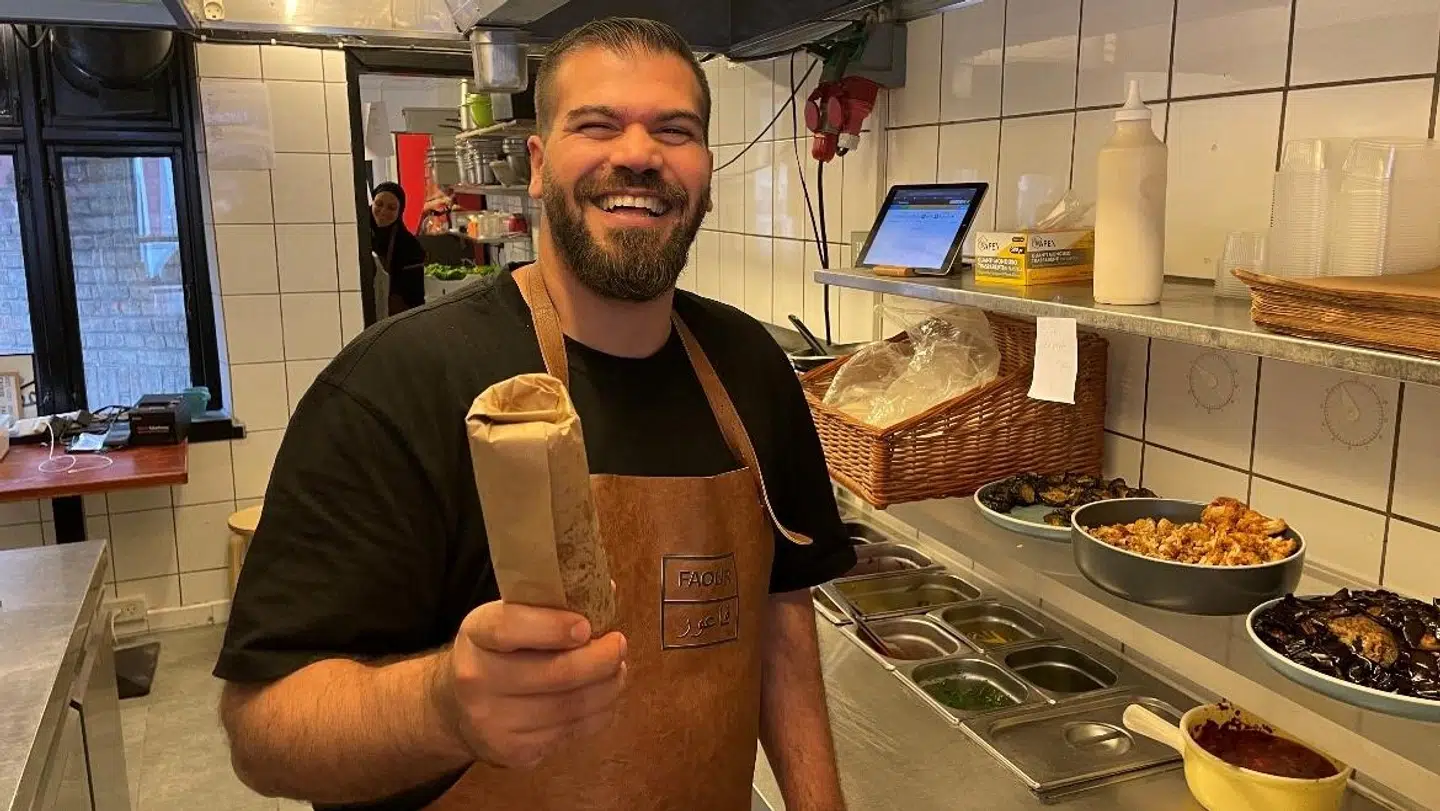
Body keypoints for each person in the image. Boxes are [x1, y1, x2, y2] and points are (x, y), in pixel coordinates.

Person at [215, 17, 854, 811]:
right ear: (541, 165)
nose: (638, 153)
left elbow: (782, 610)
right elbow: (261, 729)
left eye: (674, 129)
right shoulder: (397, 385)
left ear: (707, 171)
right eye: (597, 124)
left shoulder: (750, 366)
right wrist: (444, 706)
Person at [370, 181, 427, 315]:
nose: (383, 211)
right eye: (379, 204)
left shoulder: (409, 246)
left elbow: (415, 298)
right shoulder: (355, 233)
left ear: (400, 211)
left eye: (391, 208)